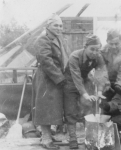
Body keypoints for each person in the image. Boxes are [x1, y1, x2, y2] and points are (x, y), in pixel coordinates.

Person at [32, 15, 68, 149]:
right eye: (56, 25)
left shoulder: (59, 39)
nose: (59, 28)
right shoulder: (43, 39)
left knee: (53, 108)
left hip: (56, 76)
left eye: (60, 26)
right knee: (45, 107)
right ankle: (46, 139)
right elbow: (46, 61)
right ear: (48, 26)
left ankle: (47, 134)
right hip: (47, 77)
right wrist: (59, 77)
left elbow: (65, 57)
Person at [64, 34, 106, 149]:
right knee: (71, 110)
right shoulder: (75, 56)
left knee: (88, 108)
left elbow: (101, 74)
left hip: (85, 80)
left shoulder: (99, 56)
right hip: (70, 82)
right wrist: (85, 94)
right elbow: (76, 77)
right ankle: (72, 138)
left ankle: (90, 138)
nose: (94, 52)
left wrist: (99, 91)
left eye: (97, 49)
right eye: (92, 49)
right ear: (85, 47)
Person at [100, 29, 121, 100]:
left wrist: (119, 85)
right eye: (111, 44)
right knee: (105, 104)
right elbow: (102, 68)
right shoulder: (102, 51)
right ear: (107, 42)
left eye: (116, 44)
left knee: (118, 104)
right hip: (106, 81)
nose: (113, 46)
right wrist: (106, 81)